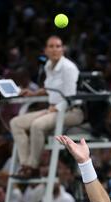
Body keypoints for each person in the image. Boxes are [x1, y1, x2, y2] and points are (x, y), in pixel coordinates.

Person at [10, 36, 84, 179]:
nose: (55, 49)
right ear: (45, 50)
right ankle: (25, 165)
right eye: (51, 46)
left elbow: (71, 98)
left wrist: (55, 109)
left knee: (37, 125)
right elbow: (50, 88)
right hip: (53, 109)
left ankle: (33, 167)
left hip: (71, 112)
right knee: (16, 123)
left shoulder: (69, 68)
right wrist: (33, 93)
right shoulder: (48, 65)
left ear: (62, 49)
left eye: (58, 46)